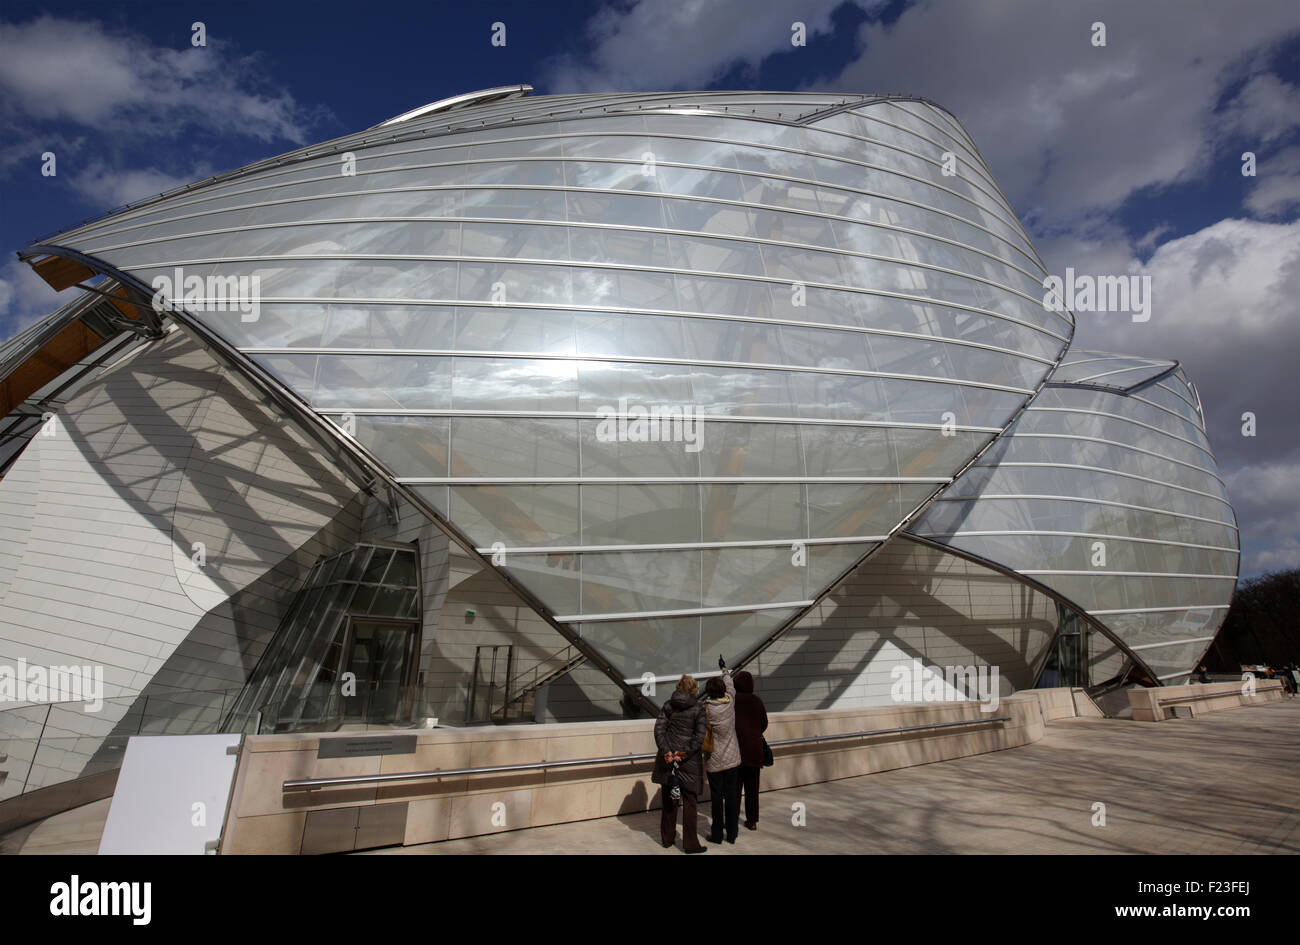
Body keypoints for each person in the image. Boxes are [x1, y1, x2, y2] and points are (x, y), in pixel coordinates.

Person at [651, 674, 708, 852]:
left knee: (669, 800)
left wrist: (667, 752)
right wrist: (683, 754)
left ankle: (667, 839)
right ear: (693, 689)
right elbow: (699, 737)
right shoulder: (698, 708)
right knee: (690, 804)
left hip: (668, 761)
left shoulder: (668, 705)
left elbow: (659, 730)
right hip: (688, 761)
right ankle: (690, 844)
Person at [703, 663, 741, 844]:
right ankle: (732, 834)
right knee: (732, 796)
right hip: (732, 758)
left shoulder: (706, 710)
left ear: (708, 692)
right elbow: (731, 685)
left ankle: (717, 834)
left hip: (714, 761)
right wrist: (725, 671)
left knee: (716, 799)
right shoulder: (730, 702)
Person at [732, 668, 768, 832]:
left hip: (736, 751)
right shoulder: (757, 701)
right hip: (754, 751)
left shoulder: (732, 701)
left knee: (735, 788)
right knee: (752, 789)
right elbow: (764, 723)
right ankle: (752, 820)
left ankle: (732, 818)